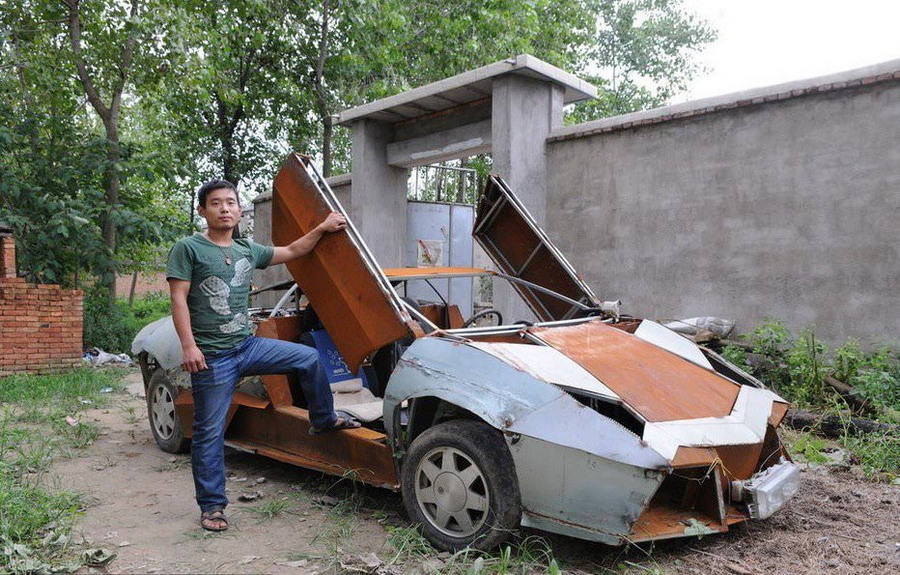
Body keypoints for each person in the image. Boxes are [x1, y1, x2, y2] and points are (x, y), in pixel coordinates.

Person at [166, 179, 360, 532]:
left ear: (240, 210)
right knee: (209, 433)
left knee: (308, 358)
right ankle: (212, 507)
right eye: (215, 203)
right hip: (212, 357)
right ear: (202, 211)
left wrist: (322, 227)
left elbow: (293, 251)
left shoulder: (246, 249)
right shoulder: (188, 248)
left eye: (230, 202)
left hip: (248, 346)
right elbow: (178, 299)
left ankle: (323, 420)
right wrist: (189, 346)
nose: (224, 208)